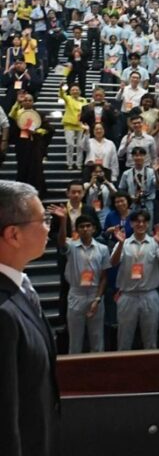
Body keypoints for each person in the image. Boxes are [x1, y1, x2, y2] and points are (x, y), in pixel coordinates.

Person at [0, 181, 60, 456]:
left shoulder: (20, 286)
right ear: (13, 234)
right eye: (43, 219)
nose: (49, 227)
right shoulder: (3, 312)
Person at [51, 208, 109, 354]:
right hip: (76, 294)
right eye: (81, 227)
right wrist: (63, 221)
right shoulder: (71, 246)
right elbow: (61, 241)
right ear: (77, 229)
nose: (85, 229)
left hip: (94, 294)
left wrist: (98, 298)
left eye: (88, 226)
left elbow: (104, 277)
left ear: (94, 228)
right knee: (75, 339)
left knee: (97, 338)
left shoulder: (102, 249)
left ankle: (98, 373)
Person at [110, 209, 159, 350]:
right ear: (131, 223)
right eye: (137, 221)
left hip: (149, 294)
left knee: (150, 339)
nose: (140, 224)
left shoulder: (155, 243)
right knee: (124, 339)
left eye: (144, 221)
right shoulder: (123, 243)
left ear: (148, 224)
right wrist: (121, 244)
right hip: (127, 295)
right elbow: (113, 262)